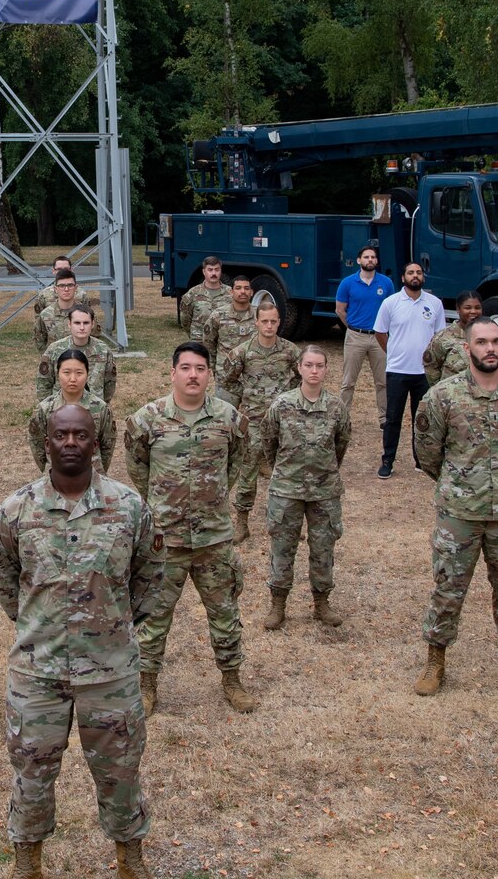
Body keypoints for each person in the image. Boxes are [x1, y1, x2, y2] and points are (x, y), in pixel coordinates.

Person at [0, 405, 171, 879]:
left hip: (109, 671)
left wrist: (117, 624)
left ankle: (132, 863)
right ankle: (26, 869)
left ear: (95, 442)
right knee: (31, 772)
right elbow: (0, 565)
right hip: (37, 670)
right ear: (46, 442)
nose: (70, 442)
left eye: (80, 435)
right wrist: (29, 618)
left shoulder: (128, 506)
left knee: (119, 771)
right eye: (61, 434)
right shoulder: (17, 509)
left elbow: (152, 573)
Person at [124, 341, 256, 716]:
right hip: (166, 540)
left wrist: (211, 498)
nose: (193, 375)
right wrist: (163, 503)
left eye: (200, 368)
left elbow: (236, 463)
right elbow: (138, 468)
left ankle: (232, 680)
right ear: (173, 373)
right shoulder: (147, 419)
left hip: (214, 538)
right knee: (152, 618)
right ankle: (146, 686)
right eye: (185, 368)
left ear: (209, 374)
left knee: (225, 613)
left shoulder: (229, 419)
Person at [410, 319, 498, 695]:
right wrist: (459, 482)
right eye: (481, 342)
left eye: (496, 342)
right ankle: (436, 660)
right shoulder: (442, 397)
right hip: (460, 514)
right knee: (448, 587)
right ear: (467, 348)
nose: (490, 348)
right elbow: (428, 453)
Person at [257, 344, 352, 630]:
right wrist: (286, 471)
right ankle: (278, 604)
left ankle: (322, 602)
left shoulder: (336, 407)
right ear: (299, 368)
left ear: (326, 369)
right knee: (282, 548)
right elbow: (268, 443)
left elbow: (341, 445)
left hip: (325, 491)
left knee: (323, 548)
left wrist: (322, 472)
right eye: (308, 365)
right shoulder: (281, 405)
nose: (314, 370)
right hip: (287, 490)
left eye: (319, 366)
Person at [218, 299, 301, 542]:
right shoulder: (242, 352)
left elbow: (303, 376)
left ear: (279, 322)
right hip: (253, 421)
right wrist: (242, 403)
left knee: (288, 472)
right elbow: (228, 380)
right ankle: (242, 523)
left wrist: (289, 397)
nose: (269, 326)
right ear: (256, 322)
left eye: (273, 321)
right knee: (248, 471)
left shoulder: (290, 351)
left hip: (283, 421)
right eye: (264, 321)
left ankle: (289, 522)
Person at [374, 261, 444, 480]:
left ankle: (420, 460)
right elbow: (380, 333)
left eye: (419, 272)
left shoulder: (435, 303)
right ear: (403, 278)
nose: (415, 276)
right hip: (397, 370)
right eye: (411, 273)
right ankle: (388, 461)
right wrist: (394, 352)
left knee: (421, 419)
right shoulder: (390, 303)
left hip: (424, 373)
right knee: (393, 418)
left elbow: (439, 336)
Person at [29, 350, 115, 474]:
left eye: (79, 373)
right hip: (55, 476)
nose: (73, 379)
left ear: (87, 374)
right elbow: (37, 445)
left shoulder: (101, 408)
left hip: (92, 475)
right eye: (66, 373)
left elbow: (107, 446)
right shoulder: (44, 409)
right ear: (57, 373)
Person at [335, 244, 390, 421]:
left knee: (383, 381)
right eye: (366, 257)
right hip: (355, 336)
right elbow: (340, 310)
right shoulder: (347, 283)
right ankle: (343, 418)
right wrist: (351, 326)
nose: (370, 260)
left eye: (373, 257)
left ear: (377, 261)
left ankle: (385, 418)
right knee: (348, 381)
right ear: (359, 260)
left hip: (379, 337)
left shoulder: (386, 283)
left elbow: (391, 310)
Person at [36, 303, 117, 403]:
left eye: (86, 323)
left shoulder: (103, 350)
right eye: (77, 323)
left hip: (94, 408)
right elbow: (44, 382)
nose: (82, 327)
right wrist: (48, 408)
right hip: (62, 408)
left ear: (92, 324)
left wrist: (102, 406)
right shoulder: (55, 349)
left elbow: (110, 382)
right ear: (69, 324)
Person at [206, 274, 259, 382]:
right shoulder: (218, 315)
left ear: (252, 292)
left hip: (254, 376)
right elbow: (208, 342)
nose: (243, 291)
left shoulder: (260, 315)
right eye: (238, 288)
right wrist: (213, 366)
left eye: (246, 288)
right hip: (225, 375)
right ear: (231, 292)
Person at [422, 292, 484, 382]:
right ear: (458, 309)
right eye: (468, 308)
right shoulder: (443, 337)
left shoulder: (489, 335)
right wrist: (440, 390)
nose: (473, 311)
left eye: (477, 308)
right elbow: (430, 366)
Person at [31, 270, 84, 352]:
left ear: (76, 288)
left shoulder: (85, 313)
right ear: (56, 289)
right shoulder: (46, 315)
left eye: (70, 285)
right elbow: (39, 340)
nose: (66, 289)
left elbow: (95, 336)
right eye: (62, 286)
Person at [178, 255, 226, 344]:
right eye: (210, 270)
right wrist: (195, 334)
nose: (214, 273)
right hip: (199, 341)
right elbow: (185, 319)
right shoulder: (192, 294)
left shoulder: (230, 293)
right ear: (204, 272)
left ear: (221, 271)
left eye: (217, 269)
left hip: (222, 342)